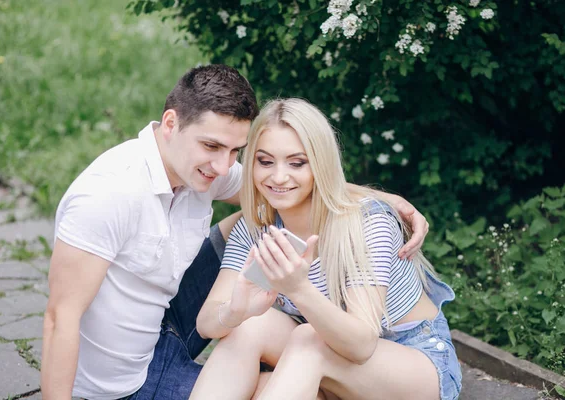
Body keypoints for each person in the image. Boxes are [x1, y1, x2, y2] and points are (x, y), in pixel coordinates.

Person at [41, 66, 430, 400]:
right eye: (211, 145)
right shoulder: (109, 194)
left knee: (262, 224)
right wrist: (240, 309)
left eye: (234, 151)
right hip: (120, 379)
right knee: (256, 247)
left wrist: (381, 200)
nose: (223, 165)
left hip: (170, 324)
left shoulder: (208, 169)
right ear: (171, 124)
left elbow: (288, 182)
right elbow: (60, 318)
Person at [190, 98, 462, 400]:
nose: (278, 177)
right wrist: (236, 310)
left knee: (309, 340)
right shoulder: (257, 229)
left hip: (413, 362)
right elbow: (206, 324)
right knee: (249, 327)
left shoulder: (365, 223)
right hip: (332, 363)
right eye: (265, 161)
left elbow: (361, 346)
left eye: (297, 163)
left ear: (319, 163)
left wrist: (298, 289)